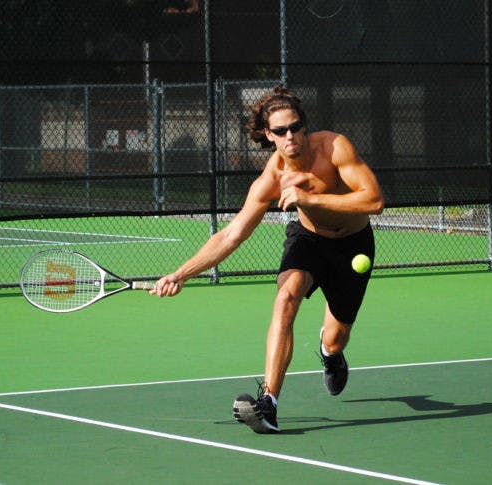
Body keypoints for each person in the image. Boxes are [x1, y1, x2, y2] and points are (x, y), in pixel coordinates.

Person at [150, 85, 384, 434]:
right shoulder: (270, 179)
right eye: (280, 131)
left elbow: (373, 201)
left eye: (295, 127)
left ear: (304, 126)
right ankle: (269, 404)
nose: (290, 136)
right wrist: (182, 273)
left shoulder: (334, 147)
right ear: (267, 135)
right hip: (308, 239)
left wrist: (311, 199)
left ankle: (330, 353)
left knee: (336, 338)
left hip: (354, 246)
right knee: (285, 297)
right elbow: (232, 235)